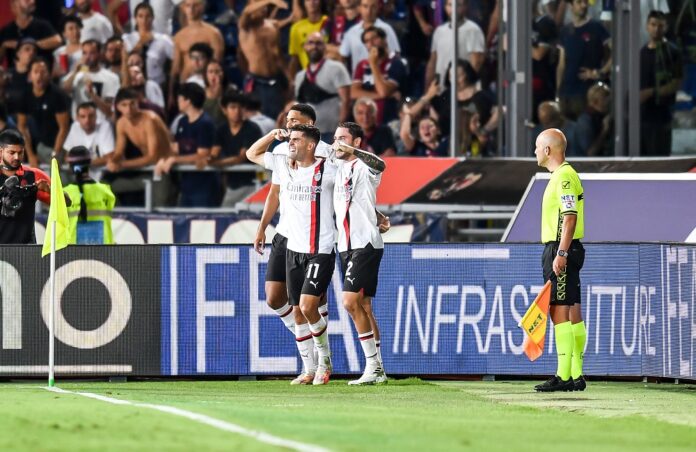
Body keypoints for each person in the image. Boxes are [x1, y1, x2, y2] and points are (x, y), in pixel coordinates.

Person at [247, 123, 337, 386]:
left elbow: (359, 174)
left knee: (309, 306)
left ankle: (325, 361)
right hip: (292, 249)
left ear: (311, 145)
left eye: (296, 139)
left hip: (320, 249)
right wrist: (271, 136)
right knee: (297, 311)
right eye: (290, 139)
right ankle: (308, 369)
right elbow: (252, 154)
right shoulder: (283, 166)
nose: (291, 143)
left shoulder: (327, 169)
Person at [332, 121, 388, 385]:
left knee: (349, 302)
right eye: (335, 139)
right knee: (364, 305)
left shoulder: (365, 166)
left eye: (343, 138)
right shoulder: (337, 169)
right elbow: (357, 203)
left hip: (364, 243)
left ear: (356, 142)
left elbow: (381, 165)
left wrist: (350, 150)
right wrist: (376, 214)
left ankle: (372, 367)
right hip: (345, 244)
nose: (337, 143)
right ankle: (379, 370)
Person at [533, 128, 586, 393]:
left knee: (558, 310)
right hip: (565, 247)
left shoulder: (564, 177)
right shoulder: (563, 175)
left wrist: (561, 253)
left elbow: (570, 217)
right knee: (571, 307)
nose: (534, 152)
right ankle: (575, 373)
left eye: (537, 147)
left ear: (547, 150)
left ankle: (563, 376)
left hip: (560, 248)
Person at [107, 88, 173, 206]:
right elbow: (119, 151)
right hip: (146, 171)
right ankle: (119, 219)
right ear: (118, 107)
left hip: (163, 169)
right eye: (124, 105)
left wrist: (121, 164)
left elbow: (153, 157)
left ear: (138, 103)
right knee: (106, 187)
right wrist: (113, 161)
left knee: (159, 208)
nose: (129, 109)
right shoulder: (121, 123)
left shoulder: (150, 120)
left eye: (132, 104)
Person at [157, 82, 219, 207]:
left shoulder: (205, 124)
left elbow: (202, 155)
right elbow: (176, 148)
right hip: (186, 185)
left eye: (179, 99)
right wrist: (165, 159)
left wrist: (174, 160)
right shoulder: (182, 122)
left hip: (203, 186)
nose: (177, 102)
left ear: (188, 101)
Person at [557, 0, 611, 120]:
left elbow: (615, 54)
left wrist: (600, 72)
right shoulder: (565, 31)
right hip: (566, 93)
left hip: (586, 93)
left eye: (585, 2)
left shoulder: (596, 27)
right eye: (579, 2)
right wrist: (558, 91)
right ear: (571, 5)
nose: (584, 5)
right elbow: (561, 64)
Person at [639, 10, 683, 157]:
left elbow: (677, 82)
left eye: (660, 25)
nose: (656, 29)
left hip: (662, 115)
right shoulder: (640, 53)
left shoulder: (672, 52)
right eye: (653, 24)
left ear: (666, 27)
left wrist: (651, 92)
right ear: (647, 26)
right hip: (642, 115)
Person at [238, 0, 290, 119]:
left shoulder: (272, 26)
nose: (262, 8)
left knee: (278, 118)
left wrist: (288, 77)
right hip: (257, 82)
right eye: (258, 4)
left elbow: (277, 55)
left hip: (275, 79)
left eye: (264, 6)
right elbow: (246, 13)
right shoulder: (246, 27)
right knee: (256, 119)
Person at [210, 90, 263, 206]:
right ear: (224, 110)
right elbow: (214, 153)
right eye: (232, 107)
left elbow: (241, 157)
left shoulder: (252, 129)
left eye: (240, 108)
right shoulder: (221, 130)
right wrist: (209, 159)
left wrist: (218, 163)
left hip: (252, 184)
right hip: (232, 185)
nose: (237, 111)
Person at [295, 32, 352, 138]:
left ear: (325, 47)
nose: (314, 46)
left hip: (332, 132)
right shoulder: (300, 76)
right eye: (310, 43)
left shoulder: (337, 68)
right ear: (305, 47)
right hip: (309, 135)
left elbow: (346, 101)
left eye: (318, 43)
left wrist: (339, 132)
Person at [0, 128, 50, 244]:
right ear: (1, 152)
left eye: (20, 152)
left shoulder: (35, 175)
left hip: (25, 251)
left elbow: (67, 203)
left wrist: (50, 190)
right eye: (12, 153)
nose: (17, 157)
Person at [16, 57, 70, 165]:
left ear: (49, 75)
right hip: (43, 144)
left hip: (64, 144)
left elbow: (64, 128)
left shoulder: (57, 95)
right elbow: (22, 126)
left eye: (43, 72)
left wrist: (55, 155)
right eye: (36, 72)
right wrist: (30, 155)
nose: (39, 75)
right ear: (30, 75)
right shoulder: (25, 95)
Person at [351, 26, 408, 125]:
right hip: (366, 120)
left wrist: (373, 64)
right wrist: (380, 96)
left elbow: (384, 91)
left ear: (385, 40)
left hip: (389, 120)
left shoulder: (397, 62)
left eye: (374, 38)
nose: (371, 43)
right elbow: (353, 92)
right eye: (367, 41)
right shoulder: (362, 64)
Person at [170, 0, 224, 103]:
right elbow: (175, 69)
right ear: (183, 8)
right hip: (185, 87)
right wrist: (171, 95)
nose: (191, 9)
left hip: (206, 87)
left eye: (195, 5)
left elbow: (217, 65)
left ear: (202, 7)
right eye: (188, 5)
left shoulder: (213, 34)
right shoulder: (178, 37)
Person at [425, 0, 485, 88]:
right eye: (450, 5)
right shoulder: (439, 31)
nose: (454, 9)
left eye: (458, 5)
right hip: (441, 88)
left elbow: (476, 62)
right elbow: (433, 61)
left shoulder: (473, 30)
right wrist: (427, 88)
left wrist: (464, 84)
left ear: (465, 7)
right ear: (445, 7)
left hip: (463, 88)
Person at [63, 145, 116, 244]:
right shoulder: (106, 192)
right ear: (89, 163)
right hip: (105, 252)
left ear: (70, 166)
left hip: (72, 253)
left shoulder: (64, 194)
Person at [62, 39, 121, 121]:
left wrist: (92, 95)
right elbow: (65, 91)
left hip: (102, 124)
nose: (87, 57)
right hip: (79, 124)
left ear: (100, 54)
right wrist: (75, 71)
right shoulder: (76, 74)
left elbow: (109, 111)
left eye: (92, 53)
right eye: (84, 53)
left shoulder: (111, 77)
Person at [339, 0, 401, 75]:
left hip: (382, 78)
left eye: (373, 7)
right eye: (365, 6)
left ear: (378, 8)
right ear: (359, 8)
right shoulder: (351, 32)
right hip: (358, 81)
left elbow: (395, 55)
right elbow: (342, 57)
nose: (369, 11)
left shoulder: (387, 29)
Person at [122, 1, 174, 87]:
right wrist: (141, 42)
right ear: (135, 18)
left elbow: (176, 60)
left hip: (157, 84)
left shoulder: (163, 39)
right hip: (134, 84)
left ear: (153, 18)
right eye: (140, 16)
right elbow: (126, 63)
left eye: (148, 16)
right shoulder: (128, 39)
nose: (144, 20)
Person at [0, 0, 62, 70]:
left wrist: (29, 44)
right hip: (15, 77)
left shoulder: (42, 25)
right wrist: (3, 46)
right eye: (27, 0)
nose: (32, 1)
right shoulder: (7, 30)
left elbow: (58, 40)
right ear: (15, 4)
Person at [63, 102, 115, 180]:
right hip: (79, 173)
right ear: (77, 118)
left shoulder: (104, 126)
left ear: (96, 116)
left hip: (102, 173)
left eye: (91, 116)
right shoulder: (75, 127)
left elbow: (110, 157)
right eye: (83, 116)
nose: (87, 120)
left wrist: (82, 162)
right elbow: (67, 156)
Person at [288, 0, 328, 78]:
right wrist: (291, 80)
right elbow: (294, 58)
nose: (312, 2)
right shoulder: (296, 28)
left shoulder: (328, 22)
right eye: (308, 0)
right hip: (308, 77)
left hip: (327, 75)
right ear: (304, 3)